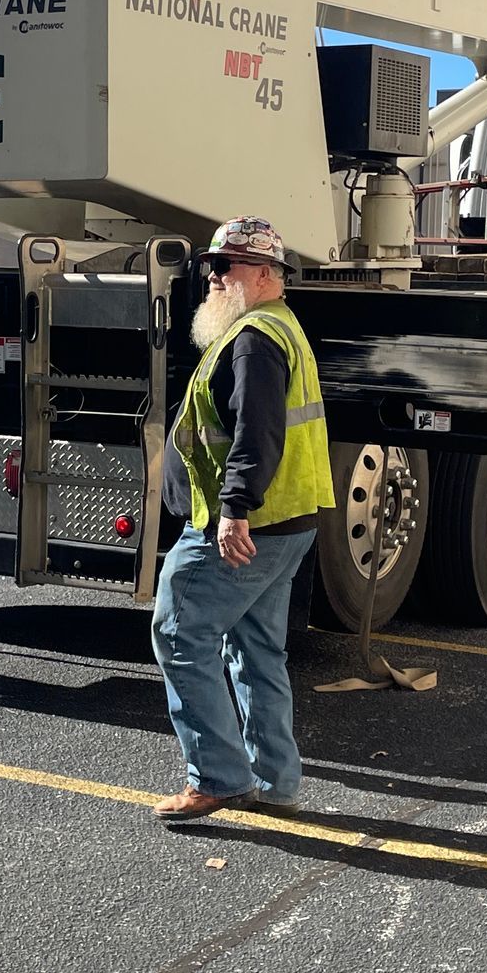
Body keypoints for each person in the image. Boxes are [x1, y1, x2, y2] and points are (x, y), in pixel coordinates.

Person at [150, 216, 333, 823]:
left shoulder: (254, 336)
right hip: (287, 522)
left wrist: (233, 512)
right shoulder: (276, 328)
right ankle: (275, 781)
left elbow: (257, 435)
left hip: (244, 528)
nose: (211, 277)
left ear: (261, 274)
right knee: (256, 651)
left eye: (222, 267)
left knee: (179, 633)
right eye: (211, 266)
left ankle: (221, 777)